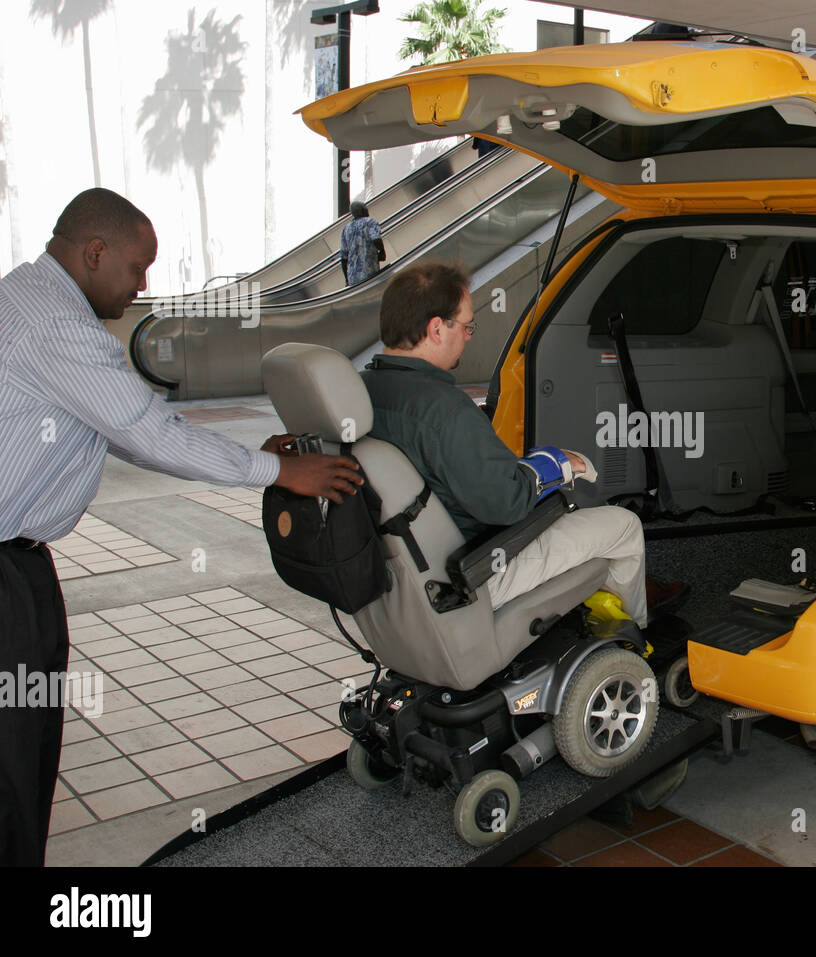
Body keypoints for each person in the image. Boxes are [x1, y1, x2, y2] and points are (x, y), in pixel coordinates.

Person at [0, 187, 364, 866]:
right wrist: (278, 474)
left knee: (26, 753)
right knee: (12, 767)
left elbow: (131, 429)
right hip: (4, 576)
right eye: (137, 269)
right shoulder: (57, 325)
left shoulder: (28, 296)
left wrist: (259, 456)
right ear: (95, 252)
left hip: (22, 564)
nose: (144, 283)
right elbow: (147, 431)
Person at [359, 261, 684, 627]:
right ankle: (633, 639)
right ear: (437, 329)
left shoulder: (362, 391)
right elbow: (506, 503)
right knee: (622, 526)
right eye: (466, 326)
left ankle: (617, 595)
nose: (469, 335)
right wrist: (556, 463)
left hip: (410, 569)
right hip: (476, 567)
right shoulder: (443, 408)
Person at [339, 200, 386, 286]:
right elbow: (376, 238)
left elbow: (343, 257)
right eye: (365, 207)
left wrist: (347, 280)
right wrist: (382, 251)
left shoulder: (345, 229)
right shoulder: (370, 222)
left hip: (353, 278)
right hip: (370, 272)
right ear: (362, 210)